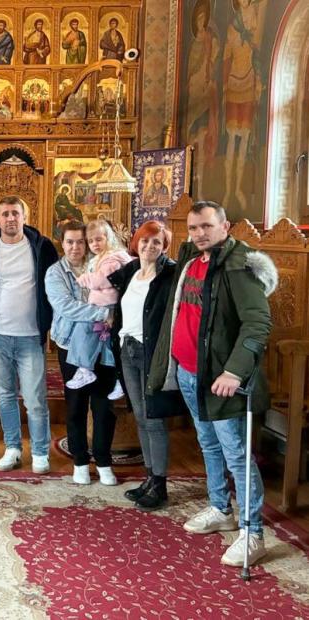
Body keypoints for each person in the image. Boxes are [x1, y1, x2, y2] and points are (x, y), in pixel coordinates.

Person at [148, 201, 277, 567]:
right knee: (208, 443)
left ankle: (253, 533)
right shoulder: (192, 260)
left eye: (206, 226)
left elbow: (257, 323)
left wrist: (234, 372)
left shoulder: (239, 266)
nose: (199, 233)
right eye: (193, 228)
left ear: (225, 226)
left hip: (222, 380)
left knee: (236, 453)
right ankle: (221, 508)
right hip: (190, 373)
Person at [0, 196, 58, 473]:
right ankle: (12, 448)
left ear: (24, 217)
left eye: (15, 213)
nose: (10, 219)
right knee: (5, 396)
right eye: (5, 214)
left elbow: (55, 287)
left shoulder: (42, 248)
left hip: (31, 336)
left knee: (35, 399)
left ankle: (40, 452)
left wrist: (53, 327)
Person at [108, 220, 181, 510]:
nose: (149, 246)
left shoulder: (170, 274)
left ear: (164, 247)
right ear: (136, 243)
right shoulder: (131, 272)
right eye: (145, 240)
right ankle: (149, 478)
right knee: (139, 416)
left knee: (154, 418)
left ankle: (160, 485)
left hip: (152, 353)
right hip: (127, 350)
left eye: (156, 242)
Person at [46, 222, 120, 486]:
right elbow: (66, 307)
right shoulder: (55, 273)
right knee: (76, 404)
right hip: (71, 346)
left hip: (103, 344)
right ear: (62, 243)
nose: (76, 247)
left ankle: (103, 461)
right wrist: (104, 313)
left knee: (104, 405)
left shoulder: (101, 263)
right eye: (70, 242)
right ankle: (79, 460)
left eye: (81, 241)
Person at [64, 219, 132, 398]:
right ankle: (118, 379)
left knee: (83, 330)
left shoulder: (112, 259)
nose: (95, 244)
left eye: (99, 239)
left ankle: (85, 369)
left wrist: (84, 279)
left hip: (107, 305)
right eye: (91, 241)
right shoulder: (102, 258)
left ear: (108, 238)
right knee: (108, 344)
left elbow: (103, 280)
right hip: (103, 305)